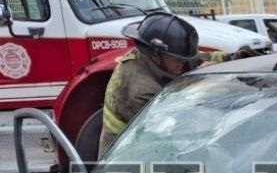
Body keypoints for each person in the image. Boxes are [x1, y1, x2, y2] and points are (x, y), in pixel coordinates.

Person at [98, 12, 258, 157]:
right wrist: (205, 84)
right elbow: (177, 125)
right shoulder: (140, 89)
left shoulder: (156, 58)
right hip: (129, 159)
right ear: (156, 54)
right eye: (179, 60)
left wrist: (232, 59)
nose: (183, 64)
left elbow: (195, 58)